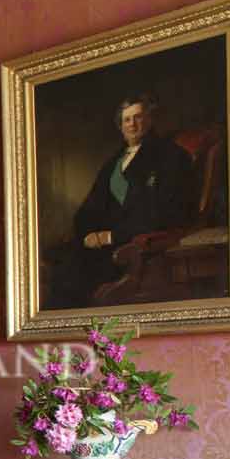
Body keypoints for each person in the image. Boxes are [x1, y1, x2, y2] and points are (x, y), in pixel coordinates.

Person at [46, 93, 195, 309]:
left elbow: (165, 212)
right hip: (101, 246)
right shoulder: (113, 163)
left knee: (75, 276)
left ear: (150, 119)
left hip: (133, 245)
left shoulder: (170, 156)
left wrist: (111, 236)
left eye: (138, 117)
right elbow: (90, 207)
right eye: (127, 119)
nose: (132, 124)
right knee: (56, 261)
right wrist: (88, 234)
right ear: (120, 126)